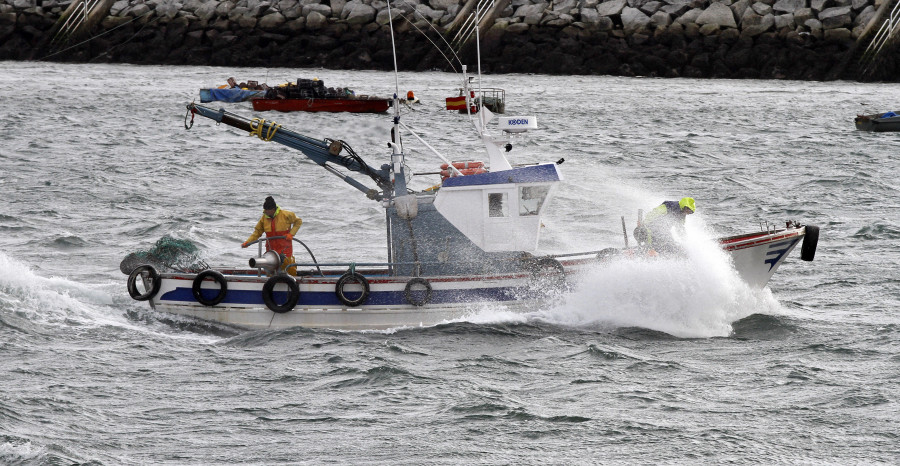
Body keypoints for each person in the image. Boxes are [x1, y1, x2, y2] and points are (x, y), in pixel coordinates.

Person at [242, 196, 302, 276]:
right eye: (264, 210)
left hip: (285, 248)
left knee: (288, 267)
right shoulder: (264, 218)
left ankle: (292, 282)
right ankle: (270, 284)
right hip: (271, 250)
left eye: (267, 210)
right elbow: (257, 232)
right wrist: (248, 242)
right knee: (270, 269)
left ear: (273, 209)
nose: (265, 212)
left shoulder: (286, 214)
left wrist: (291, 234)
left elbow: (298, 221)